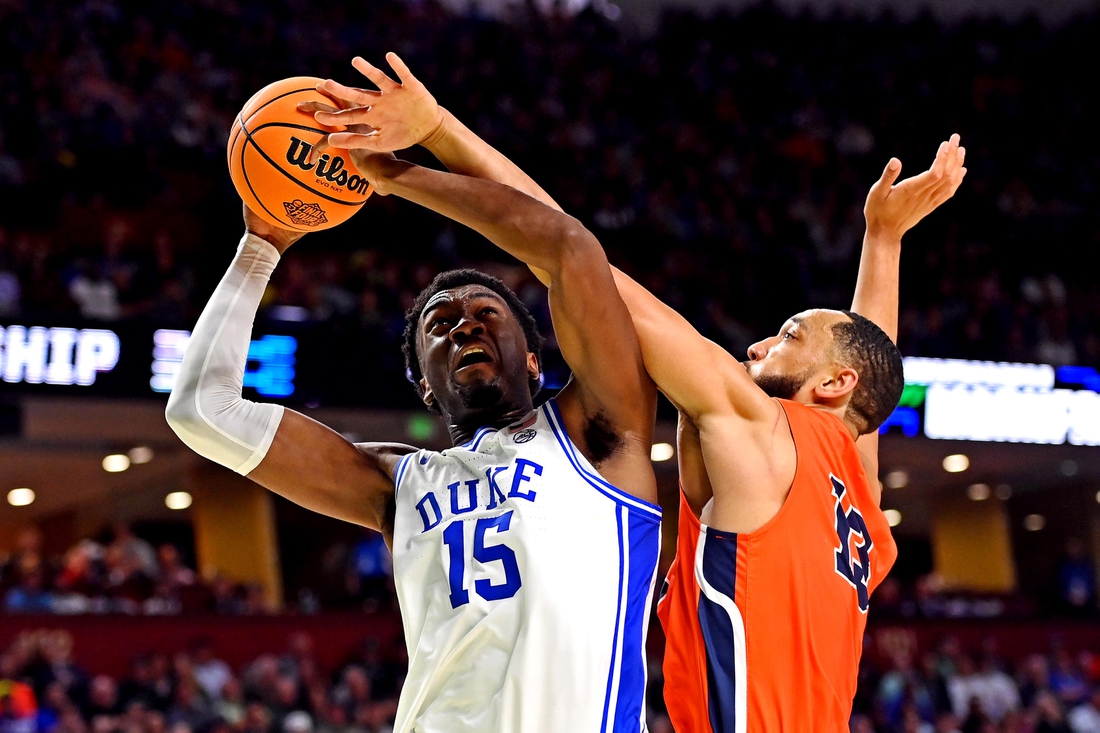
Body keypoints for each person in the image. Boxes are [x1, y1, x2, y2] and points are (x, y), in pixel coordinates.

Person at [304, 52, 965, 731]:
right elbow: (871, 384)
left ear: (831, 382)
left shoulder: (758, 425)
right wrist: (884, 240)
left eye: (789, 335)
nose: (759, 347)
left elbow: (570, 256)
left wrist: (436, 131)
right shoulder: (859, 498)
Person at [165, 72, 662, 730]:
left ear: (537, 361)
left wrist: (394, 175)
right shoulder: (398, 482)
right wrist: (261, 245)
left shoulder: (600, 436)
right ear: (425, 386)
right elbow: (202, 408)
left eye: (487, 313)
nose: (463, 325)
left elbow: (570, 248)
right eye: (440, 325)